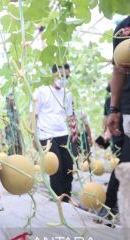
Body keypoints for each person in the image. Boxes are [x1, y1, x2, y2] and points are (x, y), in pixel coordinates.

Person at [32, 63, 74, 202]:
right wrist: (34, 135)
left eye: (67, 76)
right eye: (61, 75)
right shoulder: (41, 91)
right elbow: (34, 114)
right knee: (55, 168)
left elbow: (69, 116)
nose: (63, 79)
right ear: (53, 74)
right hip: (46, 135)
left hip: (63, 133)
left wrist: (74, 134)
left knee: (69, 167)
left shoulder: (67, 93)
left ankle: (66, 197)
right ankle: (57, 199)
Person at [104, 16, 130, 217]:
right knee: (123, 158)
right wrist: (113, 110)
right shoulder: (123, 29)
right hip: (126, 113)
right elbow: (118, 69)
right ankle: (110, 206)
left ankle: (110, 205)